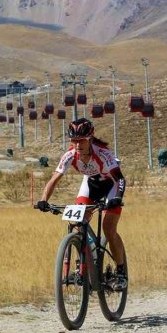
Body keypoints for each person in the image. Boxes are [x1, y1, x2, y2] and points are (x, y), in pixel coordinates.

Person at [35, 118, 127, 291]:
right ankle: (82, 265)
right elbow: (54, 179)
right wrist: (43, 200)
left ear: (90, 138)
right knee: (78, 223)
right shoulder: (70, 155)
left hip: (111, 186)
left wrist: (117, 198)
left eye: (81, 140)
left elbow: (120, 179)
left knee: (108, 228)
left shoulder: (103, 153)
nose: (77, 144)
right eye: (74, 141)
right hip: (90, 185)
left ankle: (121, 272)